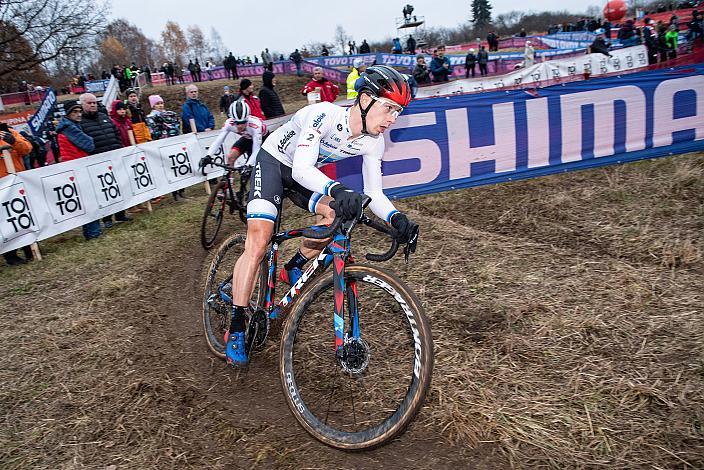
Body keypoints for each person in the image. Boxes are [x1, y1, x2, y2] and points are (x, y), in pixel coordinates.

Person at [217, 65, 419, 367]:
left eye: (398, 112)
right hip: (275, 164)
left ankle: (294, 266)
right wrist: (337, 189)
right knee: (259, 243)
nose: (392, 119)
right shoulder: (324, 114)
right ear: (364, 100)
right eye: (389, 108)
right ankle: (235, 327)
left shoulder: (373, 141)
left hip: (304, 174)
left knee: (335, 217)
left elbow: (374, 194)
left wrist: (396, 219)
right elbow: (299, 168)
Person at [79, 93, 130, 228]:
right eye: (89, 103)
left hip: (114, 157)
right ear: (82, 104)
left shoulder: (104, 117)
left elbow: (116, 133)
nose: (92, 105)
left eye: (94, 102)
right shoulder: (81, 122)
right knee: (104, 190)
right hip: (97, 160)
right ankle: (107, 218)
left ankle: (120, 214)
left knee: (118, 186)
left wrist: (118, 147)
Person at [56, 100, 100, 239]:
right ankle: (93, 233)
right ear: (68, 114)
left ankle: (91, 231)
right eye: (75, 112)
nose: (79, 114)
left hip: (76, 166)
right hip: (76, 168)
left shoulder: (72, 126)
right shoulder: (69, 128)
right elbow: (89, 145)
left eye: (80, 111)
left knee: (87, 201)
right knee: (89, 201)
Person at [0, 124, 34, 265]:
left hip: (16, 180)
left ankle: (29, 248)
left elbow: (27, 149)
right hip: (2, 185)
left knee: (23, 214)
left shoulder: (10, 132)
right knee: (6, 220)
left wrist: (13, 141)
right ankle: (10, 254)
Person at [207, 101, 266, 173]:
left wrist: (248, 165)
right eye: (237, 123)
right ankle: (229, 182)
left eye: (243, 122)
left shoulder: (255, 125)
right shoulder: (229, 123)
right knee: (230, 158)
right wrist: (208, 155)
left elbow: (256, 149)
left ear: (247, 119)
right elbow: (218, 141)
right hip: (247, 138)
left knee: (253, 171)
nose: (240, 126)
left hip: (262, 140)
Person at [146, 95, 184, 201]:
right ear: (153, 106)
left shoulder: (170, 114)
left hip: (174, 143)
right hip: (161, 146)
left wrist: (169, 128)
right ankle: (174, 192)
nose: (160, 105)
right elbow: (153, 132)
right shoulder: (150, 117)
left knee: (178, 165)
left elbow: (176, 127)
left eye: (161, 103)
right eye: (157, 104)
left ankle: (181, 190)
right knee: (168, 169)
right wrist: (164, 127)